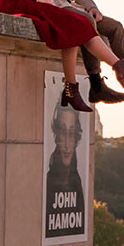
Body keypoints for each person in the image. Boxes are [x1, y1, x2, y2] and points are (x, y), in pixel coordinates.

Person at [45, 100, 85, 237]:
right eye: (63, 132)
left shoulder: (77, 182)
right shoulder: (49, 182)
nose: (67, 144)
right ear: (56, 136)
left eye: (72, 132)